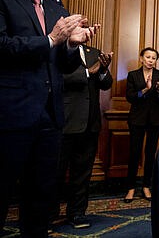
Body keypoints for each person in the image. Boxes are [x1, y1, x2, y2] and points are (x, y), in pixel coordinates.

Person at [0, 0, 99, 236]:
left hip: (51, 117)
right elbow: (2, 46)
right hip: (12, 115)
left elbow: (64, 66)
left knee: (42, 195)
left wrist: (71, 45)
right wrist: (51, 40)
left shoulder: (57, 8)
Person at [53, 45, 113, 229]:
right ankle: (46, 215)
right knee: (55, 173)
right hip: (65, 122)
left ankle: (77, 214)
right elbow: (57, 78)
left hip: (90, 124)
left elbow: (106, 83)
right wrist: (88, 72)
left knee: (82, 174)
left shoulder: (93, 52)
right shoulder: (58, 50)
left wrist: (103, 70)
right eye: (80, 28)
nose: (85, 32)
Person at [124, 47, 159, 203]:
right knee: (134, 153)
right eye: (148, 57)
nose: (150, 60)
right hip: (137, 119)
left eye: (153, 58)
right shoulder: (133, 75)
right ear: (141, 58)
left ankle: (146, 186)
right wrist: (146, 89)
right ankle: (130, 188)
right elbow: (130, 97)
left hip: (155, 119)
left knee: (150, 153)